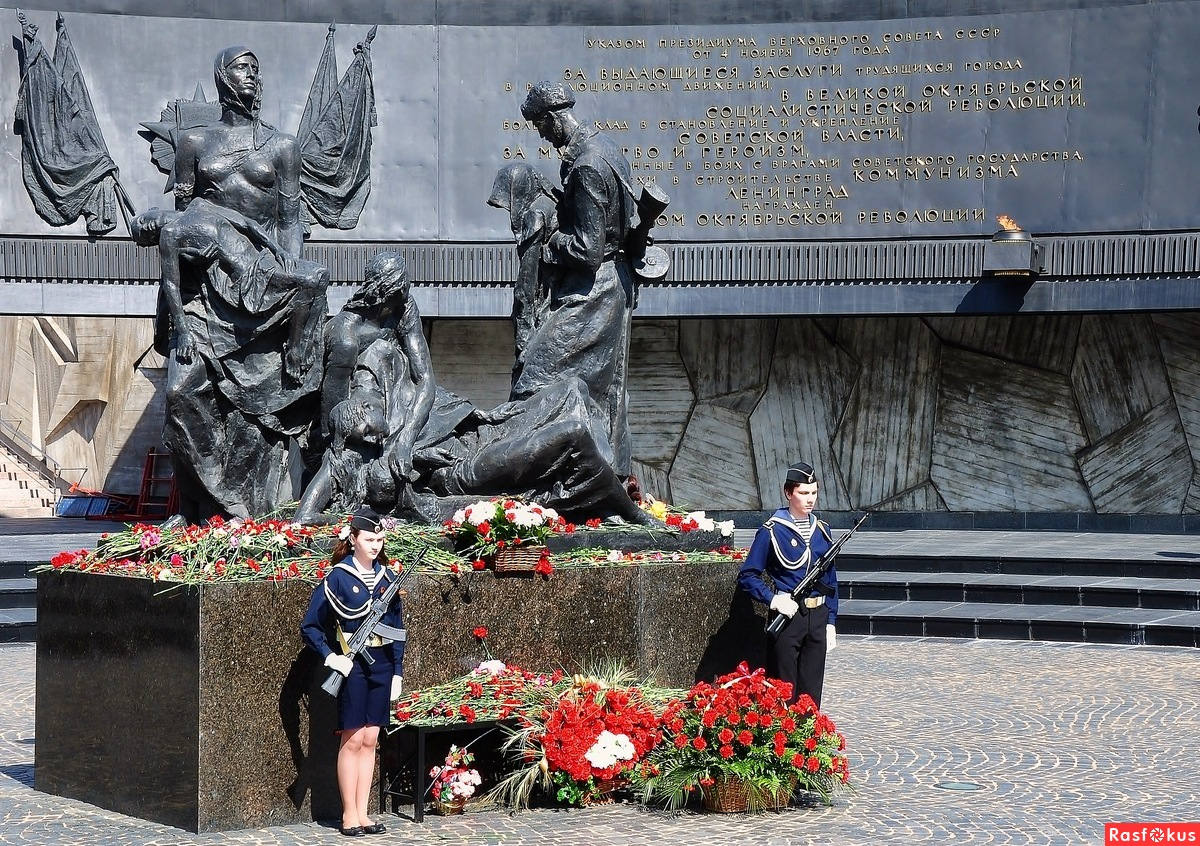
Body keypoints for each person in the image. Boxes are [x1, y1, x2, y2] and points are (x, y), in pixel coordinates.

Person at [156, 45, 322, 521]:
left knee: (259, 414)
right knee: (179, 392)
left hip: (260, 282)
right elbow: (182, 213)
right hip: (203, 287)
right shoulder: (193, 144)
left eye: (256, 68)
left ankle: (243, 509)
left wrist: (285, 281)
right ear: (222, 76)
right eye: (242, 68)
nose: (252, 75)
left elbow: (290, 220)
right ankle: (197, 506)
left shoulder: (281, 146)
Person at [516, 81, 638, 476]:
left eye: (539, 126)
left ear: (552, 118)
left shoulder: (587, 165)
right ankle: (598, 475)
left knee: (535, 376)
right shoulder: (606, 148)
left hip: (593, 291)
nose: (540, 134)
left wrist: (550, 241)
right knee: (602, 390)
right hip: (608, 285)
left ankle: (551, 473)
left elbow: (587, 249)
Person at [300, 508, 404, 837]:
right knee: (353, 737)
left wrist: (397, 672)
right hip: (353, 663)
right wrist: (332, 658)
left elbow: (397, 628)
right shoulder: (338, 577)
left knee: (371, 738)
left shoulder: (387, 578)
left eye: (380, 540)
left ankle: (364, 812)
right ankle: (349, 814)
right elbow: (311, 626)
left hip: (382, 663)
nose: (376, 545)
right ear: (354, 539)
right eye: (370, 539)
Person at [737, 462, 839, 707]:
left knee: (812, 692)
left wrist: (831, 622)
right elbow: (747, 575)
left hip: (818, 615)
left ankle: (809, 743)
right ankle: (786, 742)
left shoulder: (822, 530)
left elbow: (831, 580)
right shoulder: (772, 531)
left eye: (814, 492)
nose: (810, 499)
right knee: (784, 688)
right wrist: (773, 599)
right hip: (789, 616)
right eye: (803, 493)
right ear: (788, 493)